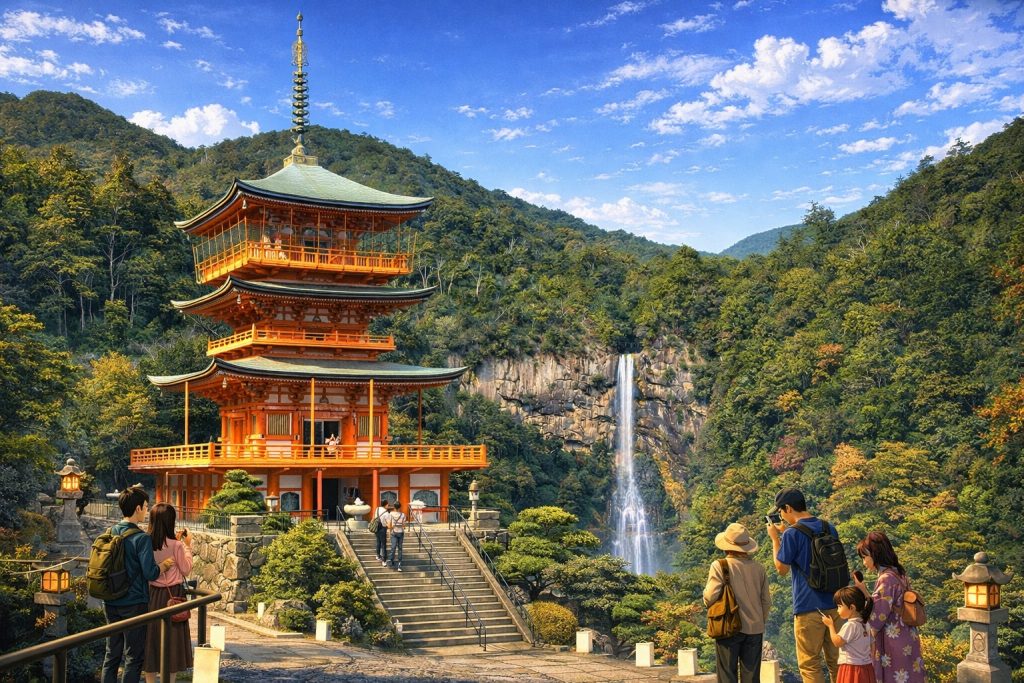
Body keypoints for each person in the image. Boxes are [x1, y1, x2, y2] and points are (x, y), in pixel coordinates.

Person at [766, 488, 842, 683]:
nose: (781, 516)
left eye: (781, 511)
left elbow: (781, 568)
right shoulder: (828, 527)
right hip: (837, 605)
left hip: (808, 608)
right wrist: (786, 533)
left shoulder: (792, 534)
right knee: (838, 662)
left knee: (810, 664)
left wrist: (775, 539)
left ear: (788, 508)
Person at [101, 487, 174, 683]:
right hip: (133, 603)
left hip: (110, 601)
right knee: (133, 656)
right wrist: (164, 565)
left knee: (112, 653)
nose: (147, 511)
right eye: (146, 507)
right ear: (138, 508)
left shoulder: (110, 532)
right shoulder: (141, 538)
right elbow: (150, 573)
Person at [703, 522, 772, 683]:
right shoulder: (759, 568)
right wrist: (759, 621)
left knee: (727, 675)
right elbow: (766, 601)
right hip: (755, 629)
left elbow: (710, 596)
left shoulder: (719, 566)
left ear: (727, 546)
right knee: (752, 677)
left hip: (728, 627)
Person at [854, 532, 926, 682]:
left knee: (894, 675)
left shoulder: (885, 578)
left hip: (892, 637)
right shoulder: (899, 572)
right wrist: (865, 591)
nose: (864, 562)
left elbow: (878, 616)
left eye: (865, 557)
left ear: (875, 554)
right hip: (907, 633)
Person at [142, 503, 193, 683]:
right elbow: (186, 569)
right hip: (173, 596)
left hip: (151, 594)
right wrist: (187, 546)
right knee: (173, 642)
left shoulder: (146, 541)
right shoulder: (177, 545)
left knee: (151, 639)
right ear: (170, 521)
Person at [822, 587, 876, 683]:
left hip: (851, 668)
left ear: (852, 607)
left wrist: (830, 625)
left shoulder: (850, 625)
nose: (838, 610)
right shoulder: (865, 624)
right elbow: (873, 645)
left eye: (839, 606)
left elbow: (837, 642)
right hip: (867, 667)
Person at [387, 501, 406, 572]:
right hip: (401, 532)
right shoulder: (403, 515)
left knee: (393, 547)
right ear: (400, 507)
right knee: (400, 548)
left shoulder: (390, 514)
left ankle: (391, 560)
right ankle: (399, 564)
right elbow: (404, 525)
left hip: (393, 532)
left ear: (394, 507)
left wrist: (389, 531)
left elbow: (389, 525)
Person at [374, 498, 390, 565]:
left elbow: (374, 517)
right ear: (385, 505)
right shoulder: (386, 513)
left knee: (378, 541)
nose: (388, 506)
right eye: (388, 504)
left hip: (376, 527)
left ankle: (378, 555)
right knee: (383, 544)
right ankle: (384, 560)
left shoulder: (377, 509)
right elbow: (388, 523)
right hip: (383, 528)